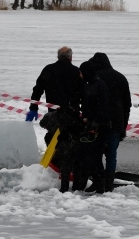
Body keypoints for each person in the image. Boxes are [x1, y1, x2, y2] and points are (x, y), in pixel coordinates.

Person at [26, 47, 83, 192]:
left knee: (54, 140)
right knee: (71, 145)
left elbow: (37, 89)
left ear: (58, 57)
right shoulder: (76, 72)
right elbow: (84, 93)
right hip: (72, 116)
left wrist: (33, 108)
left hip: (54, 116)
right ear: (70, 57)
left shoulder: (48, 69)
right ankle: (71, 175)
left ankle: (57, 170)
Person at [88, 52, 131, 192]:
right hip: (117, 123)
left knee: (96, 153)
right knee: (112, 155)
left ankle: (98, 181)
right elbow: (127, 104)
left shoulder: (95, 79)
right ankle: (109, 183)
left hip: (99, 122)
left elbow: (90, 103)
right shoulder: (121, 78)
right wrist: (124, 125)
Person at [74, 61, 112, 194]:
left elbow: (103, 108)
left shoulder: (100, 86)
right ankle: (98, 182)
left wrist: (94, 124)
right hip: (91, 124)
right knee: (91, 156)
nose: (80, 75)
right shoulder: (89, 85)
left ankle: (100, 183)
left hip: (99, 127)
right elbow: (89, 105)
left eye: (81, 72)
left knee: (93, 156)